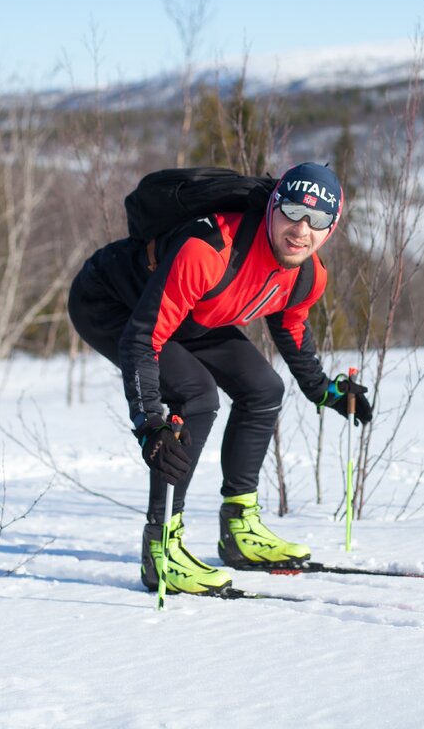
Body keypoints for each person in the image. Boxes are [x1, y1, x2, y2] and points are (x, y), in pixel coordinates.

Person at [68, 162, 373, 595]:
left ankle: (240, 528)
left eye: (318, 219)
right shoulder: (209, 248)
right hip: (111, 301)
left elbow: (292, 330)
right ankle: (162, 548)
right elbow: (143, 339)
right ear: (272, 205)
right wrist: (150, 423)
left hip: (192, 314)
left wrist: (325, 391)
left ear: (331, 228)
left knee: (264, 389)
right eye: (292, 211)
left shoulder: (307, 276)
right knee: (197, 395)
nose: (301, 230)